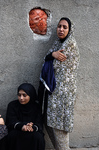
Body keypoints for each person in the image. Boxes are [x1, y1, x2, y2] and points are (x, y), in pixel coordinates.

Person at [38, 17, 80, 150]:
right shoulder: (57, 43)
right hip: (54, 92)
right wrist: (51, 55)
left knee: (59, 126)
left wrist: (51, 56)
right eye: (59, 26)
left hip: (63, 94)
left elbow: (53, 65)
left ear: (70, 29)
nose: (61, 29)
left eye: (64, 27)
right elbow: (47, 59)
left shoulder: (70, 44)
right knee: (49, 122)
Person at [5, 83, 45, 150]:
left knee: (38, 137)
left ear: (31, 95)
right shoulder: (12, 105)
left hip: (32, 132)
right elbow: (10, 122)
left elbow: (39, 124)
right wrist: (22, 126)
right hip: (17, 130)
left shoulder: (37, 107)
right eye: (19, 95)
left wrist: (32, 127)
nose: (21, 98)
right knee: (12, 135)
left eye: (24, 95)